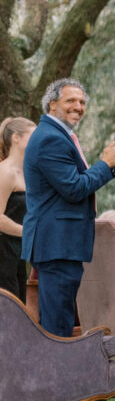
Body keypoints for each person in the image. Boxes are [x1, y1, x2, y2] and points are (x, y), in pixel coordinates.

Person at [22, 78, 115, 336]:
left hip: (61, 244)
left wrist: (109, 162)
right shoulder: (51, 138)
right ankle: (56, 376)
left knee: (60, 318)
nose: (78, 106)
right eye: (71, 100)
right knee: (57, 323)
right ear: (52, 105)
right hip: (57, 244)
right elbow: (74, 188)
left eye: (82, 101)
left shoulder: (58, 135)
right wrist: (105, 163)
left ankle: (59, 374)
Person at [0, 118, 35, 301]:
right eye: (33, 136)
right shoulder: (5, 172)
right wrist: (27, 231)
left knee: (19, 306)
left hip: (18, 251)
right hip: (3, 251)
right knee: (8, 310)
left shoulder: (26, 172)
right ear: (16, 138)